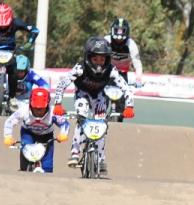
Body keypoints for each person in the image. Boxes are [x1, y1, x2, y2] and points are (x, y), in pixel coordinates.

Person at [54, 37, 134, 173]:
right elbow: (62, 84)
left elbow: (125, 87)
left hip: (100, 97)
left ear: (107, 59)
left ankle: (101, 158)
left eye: (102, 60)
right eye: (95, 59)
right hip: (82, 95)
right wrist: (58, 104)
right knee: (82, 118)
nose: (99, 63)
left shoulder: (112, 70)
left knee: (101, 124)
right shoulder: (79, 68)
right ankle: (74, 152)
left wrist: (129, 106)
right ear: (88, 58)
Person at [3, 87, 69, 173]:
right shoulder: (23, 110)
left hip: (47, 135)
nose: (38, 111)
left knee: (48, 166)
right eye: (35, 108)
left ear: (47, 105)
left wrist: (63, 134)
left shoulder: (53, 112)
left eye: (41, 109)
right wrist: (8, 137)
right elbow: (9, 122)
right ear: (30, 104)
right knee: (26, 152)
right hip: (28, 133)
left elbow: (65, 123)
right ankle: (24, 170)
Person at [103, 17, 143, 81]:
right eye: (117, 30)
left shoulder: (131, 44)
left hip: (123, 73)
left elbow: (137, 64)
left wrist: (138, 78)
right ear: (113, 30)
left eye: (122, 31)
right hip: (107, 72)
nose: (119, 34)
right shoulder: (106, 40)